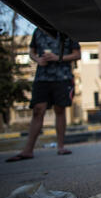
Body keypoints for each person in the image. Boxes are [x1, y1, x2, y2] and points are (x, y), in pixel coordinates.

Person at [6, 28, 81, 162]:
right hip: (42, 76)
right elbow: (31, 51)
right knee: (37, 110)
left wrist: (58, 58)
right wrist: (37, 59)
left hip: (62, 76)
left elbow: (77, 54)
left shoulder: (65, 30)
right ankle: (28, 150)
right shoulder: (38, 31)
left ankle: (61, 146)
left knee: (60, 109)